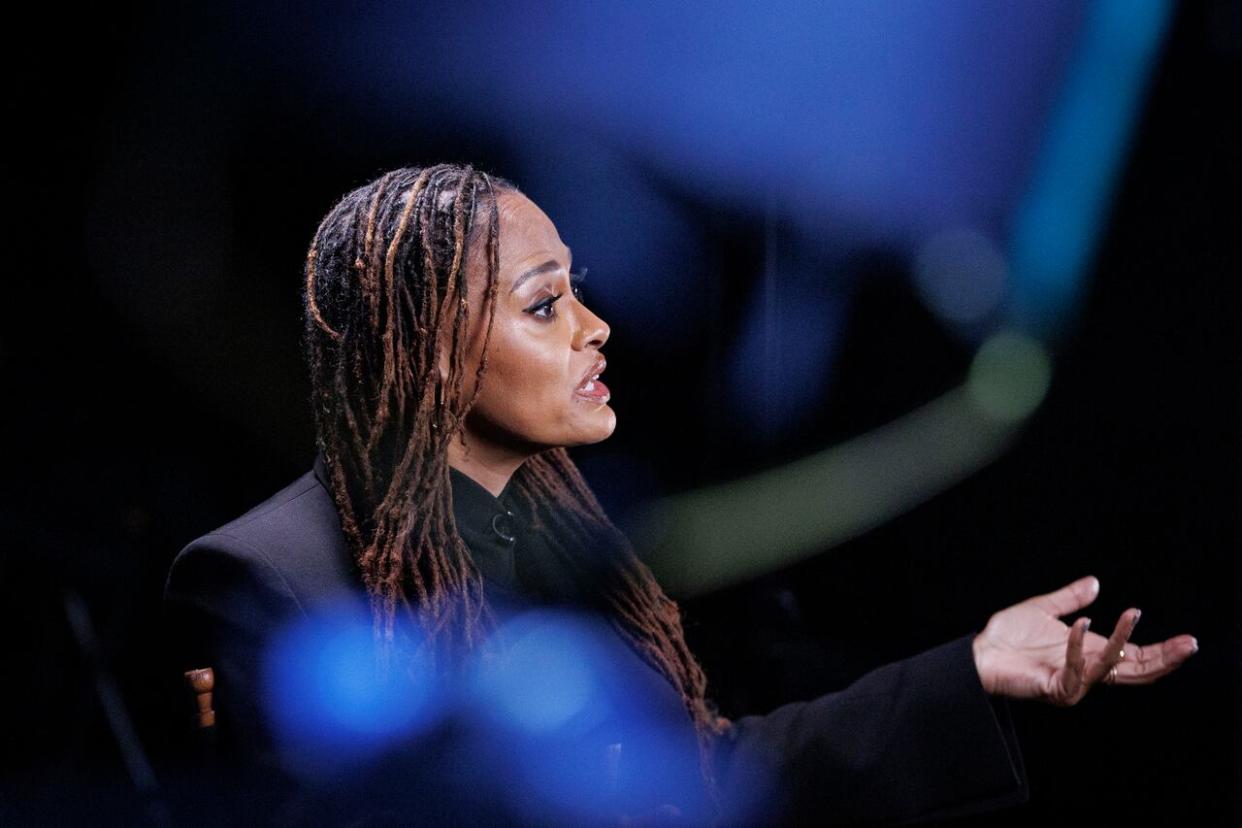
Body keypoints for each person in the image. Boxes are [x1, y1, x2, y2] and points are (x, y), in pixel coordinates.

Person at [163, 163, 1199, 826]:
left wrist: (967, 672)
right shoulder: (263, 577)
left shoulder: (568, 542)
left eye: (578, 287)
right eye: (543, 304)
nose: (594, 326)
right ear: (427, 352)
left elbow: (702, 777)